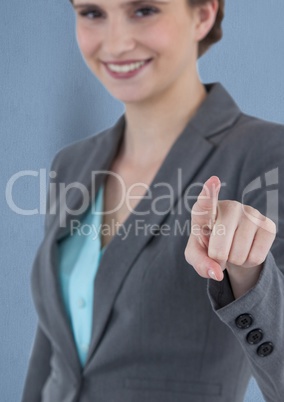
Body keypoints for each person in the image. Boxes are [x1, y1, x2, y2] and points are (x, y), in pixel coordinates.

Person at [22, 0, 284, 401]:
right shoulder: (71, 164)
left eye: (144, 10)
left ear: (203, 14)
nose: (116, 41)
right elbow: (53, 352)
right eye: (92, 12)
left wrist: (249, 275)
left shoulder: (266, 153)